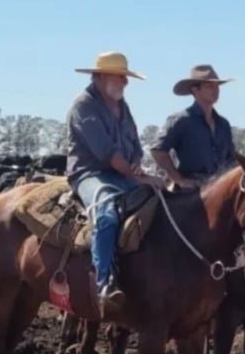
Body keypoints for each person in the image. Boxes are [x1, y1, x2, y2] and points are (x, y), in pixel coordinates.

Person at [66, 51, 165, 314]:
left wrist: (136, 165)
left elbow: (134, 145)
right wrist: (139, 176)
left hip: (122, 174)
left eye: (125, 77)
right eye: (121, 77)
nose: (126, 82)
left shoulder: (122, 106)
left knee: (159, 205)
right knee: (107, 214)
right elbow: (105, 153)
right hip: (89, 174)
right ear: (101, 76)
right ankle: (105, 283)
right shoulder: (83, 105)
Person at [151, 65, 237, 190]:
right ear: (195, 90)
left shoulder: (223, 124)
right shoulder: (181, 120)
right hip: (191, 191)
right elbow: (157, 151)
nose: (216, 90)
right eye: (209, 86)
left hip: (219, 191)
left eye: (217, 86)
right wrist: (179, 179)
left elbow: (231, 160)